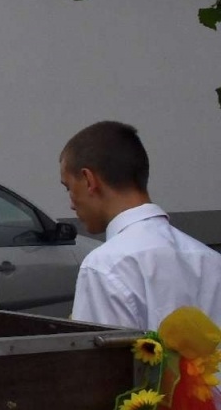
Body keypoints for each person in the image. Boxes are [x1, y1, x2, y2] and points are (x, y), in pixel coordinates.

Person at [64, 120, 221, 330]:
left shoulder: (105, 265)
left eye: (68, 188)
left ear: (89, 180)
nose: (71, 204)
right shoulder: (209, 259)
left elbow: (101, 361)